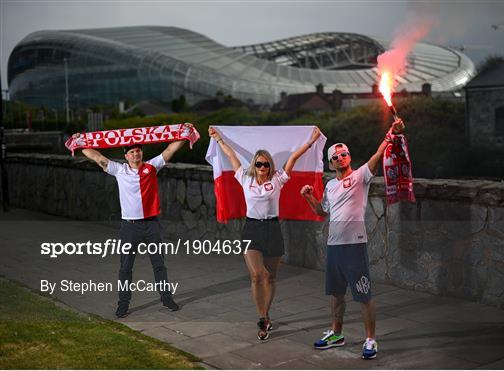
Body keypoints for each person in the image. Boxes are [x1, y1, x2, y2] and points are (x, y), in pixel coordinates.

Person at [300, 119, 404, 359]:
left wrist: (391, 133)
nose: (340, 158)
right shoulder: (329, 186)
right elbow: (321, 212)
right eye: (335, 157)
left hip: (355, 245)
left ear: (349, 156)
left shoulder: (360, 176)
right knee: (336, 295)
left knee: (364, 295)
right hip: (334, 246)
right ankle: (337, 334)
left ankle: (370, 339)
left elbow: (379, 154)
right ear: (331, 162)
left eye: (344, 154)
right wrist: (308, 197)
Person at [208, 126, 321, 340]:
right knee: (258, 275)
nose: (262, 166)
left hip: (272, 228)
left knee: (272, 277)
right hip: (252, 228)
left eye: (265, 164)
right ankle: (261, 317)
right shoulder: (245, 178)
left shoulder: (277, 180)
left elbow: (293, 159)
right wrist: (219, 138)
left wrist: (311, 141)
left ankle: (267, 315)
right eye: (258, 163)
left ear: (270, 166)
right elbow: (231, 155)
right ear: (254, 165)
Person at [71, 128, 192, 318]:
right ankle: (123, 304)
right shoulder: (119, 170)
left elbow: (170, 151)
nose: (136, 153)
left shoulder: (152, 166)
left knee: (159, 264)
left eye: (138, 150)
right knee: (126, 267)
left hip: (152, 224)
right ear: (126, 156)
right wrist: (80, 143)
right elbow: (98, 157)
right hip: (130, 227)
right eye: (132, 151)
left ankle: (166, 298)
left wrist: (185, 133)